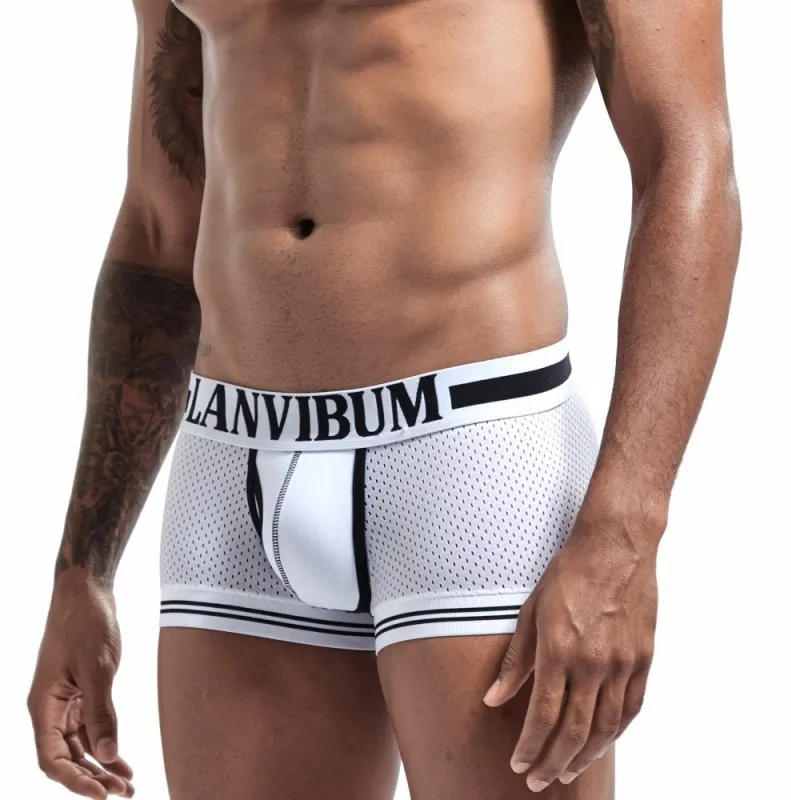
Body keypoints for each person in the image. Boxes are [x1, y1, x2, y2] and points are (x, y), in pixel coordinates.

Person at [27, 0, 741, 798]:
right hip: (231, 464)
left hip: (470, 457)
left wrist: (624, 533)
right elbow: (160, 223)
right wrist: (83, 570)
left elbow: (687, 153)